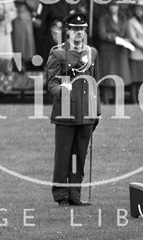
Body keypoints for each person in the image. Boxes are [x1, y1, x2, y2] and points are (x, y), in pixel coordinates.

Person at [46, 12, 100, 206]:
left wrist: (97, 111)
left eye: (82, 29)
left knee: (79, 155)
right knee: (63, 156)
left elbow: (94, 82)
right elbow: (51, 84)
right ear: (67, 31)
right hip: (66, 112)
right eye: (75, 29)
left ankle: (75, 195)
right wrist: (62, 89)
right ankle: (61, 195)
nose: (79, 33)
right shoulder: (57, 53)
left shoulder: (91, 52)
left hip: (86, 112)